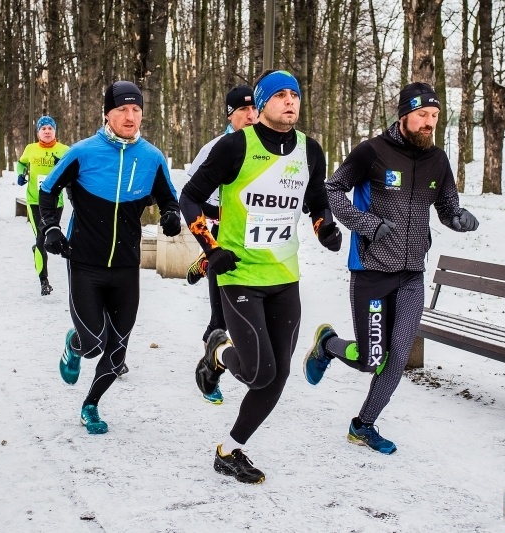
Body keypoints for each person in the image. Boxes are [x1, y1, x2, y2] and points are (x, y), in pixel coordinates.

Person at [181, 70, 343, 483]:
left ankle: (229, 450)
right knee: (258, 372)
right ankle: (218, 350)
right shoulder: (236, 145)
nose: (290, 101)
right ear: (262, 103)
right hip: (239, 275)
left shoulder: (310, 150)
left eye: (295, 95)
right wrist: (211, 249)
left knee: (279, 375)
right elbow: (191, 196)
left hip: (284, 276)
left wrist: (323, 226)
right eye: (280, 95)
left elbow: (316, 199)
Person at [302, 82, 480, 455]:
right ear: (404, 116)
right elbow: (332, 189)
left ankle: (362, 425)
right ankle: (328, 345)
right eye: (422, 116)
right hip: (371, 270)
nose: (429, 123)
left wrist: (458, 218)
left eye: (434, 116)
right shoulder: (372, 152)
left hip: (412, 274)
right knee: (371, 360)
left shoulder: (438, 160)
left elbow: (446, 206)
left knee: (397, 356)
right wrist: (367, 224)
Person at [40, 81, 181, 435]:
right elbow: (48, 190)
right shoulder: (82, 153)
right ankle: (74, 344)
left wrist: (170, 215)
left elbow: (168, 198)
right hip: (85, 262)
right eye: (122, 109)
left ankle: (91, 405)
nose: (130, 116)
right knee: (93, 344)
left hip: (126, 267)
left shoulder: (151, 157)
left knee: (117, 350)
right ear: (107, 113)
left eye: (136, 110)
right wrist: (51, 228)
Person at [185, 84, 257, 404]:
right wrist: (212, 245)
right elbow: (192, 198)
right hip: (222, 242)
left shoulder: (269, 149)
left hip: (256, 248)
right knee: (221, 320)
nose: (250, 115)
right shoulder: (216, 148)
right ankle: (209, 373)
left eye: (254, 109)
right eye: (243, 110)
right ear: (230, 115)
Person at [16, 116, 70, 296]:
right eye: (43, 128)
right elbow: (22, 162)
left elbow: (74, 170)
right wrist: (21, 174)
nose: (47, 131)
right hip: (34, 202)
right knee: (40, 239)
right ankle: (44, 280)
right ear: (38, 132)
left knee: (49, 237)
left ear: (55, 131)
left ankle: (38, 249)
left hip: (56, 203)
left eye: (50, 128)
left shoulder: (64, 150)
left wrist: (62, 168)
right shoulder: (30, 149)